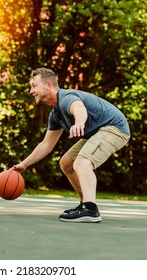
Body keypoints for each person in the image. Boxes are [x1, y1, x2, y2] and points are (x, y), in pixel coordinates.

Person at [13, 68, 130, 223]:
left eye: (34, 86)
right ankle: (85, 205)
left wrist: (79, 123)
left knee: (82, 162)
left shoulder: (65, 97)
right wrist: (24, 164)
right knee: (67, 163)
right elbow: (46, 144)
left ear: (48, 85)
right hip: (97, 132)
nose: (31, 91)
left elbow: (79, 108)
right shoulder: (55, 114)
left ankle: (90, 209)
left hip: (114, 129)